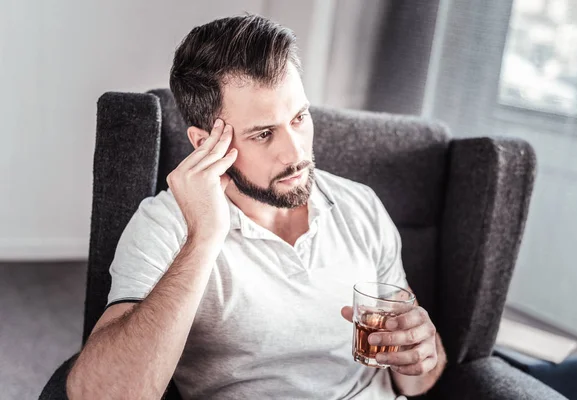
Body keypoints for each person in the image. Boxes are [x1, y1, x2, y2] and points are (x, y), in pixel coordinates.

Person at [66, 14, 447, 400]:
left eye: (299, 118)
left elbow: (417, 380)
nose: (296, 153)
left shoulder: (360, 205)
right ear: (204, 144)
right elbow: (100, 394)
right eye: (264, 134)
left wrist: (422, 353)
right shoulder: (165, 226)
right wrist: (204, 237)